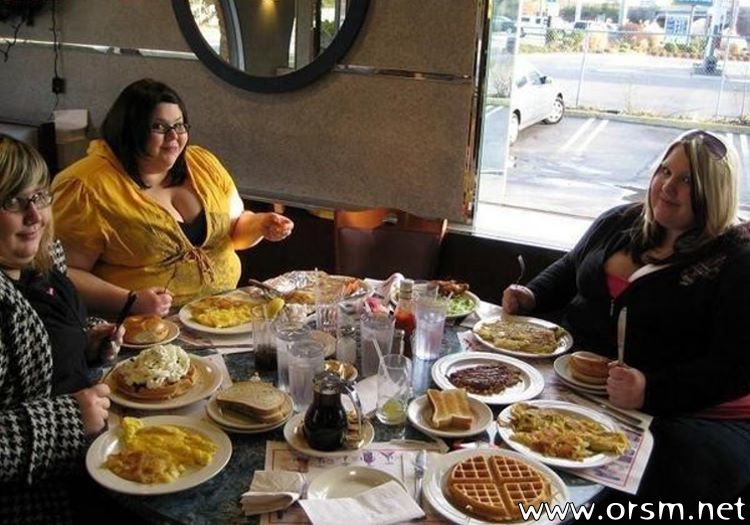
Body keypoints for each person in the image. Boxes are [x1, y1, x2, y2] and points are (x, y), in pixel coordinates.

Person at [503, 129, 750, 503]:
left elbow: (734, 367)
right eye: (665, 171)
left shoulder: (737, 259)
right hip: (580, 387)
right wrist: (532, 294)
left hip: (690, 413)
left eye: (687, 180)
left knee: (626, 487)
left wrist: (650, 388)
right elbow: (571, 266)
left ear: (715, 192)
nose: (668, 187)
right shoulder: (620, 221)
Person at [51, 78, 294, 316]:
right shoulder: (85, 186)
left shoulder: (202, 163)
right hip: (143, 327)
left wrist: (260, 225)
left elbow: (234, 230)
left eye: (179, 125)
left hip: (225, 314)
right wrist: (129, 301)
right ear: (130, 131)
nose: (173, 136)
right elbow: (63, 273)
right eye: (158, 127)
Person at [0, 134, 124, 523]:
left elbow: (37, 344)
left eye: (39, 196)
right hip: (39, 501)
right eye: (13, 201)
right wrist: (67, 419)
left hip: (90, 456)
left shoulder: (39, 261)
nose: (35, 215)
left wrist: (84, 342)